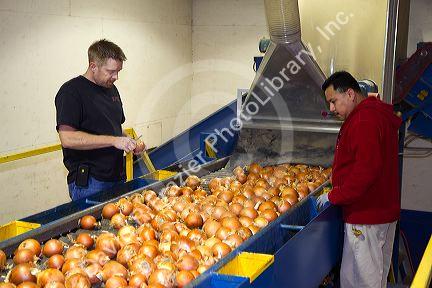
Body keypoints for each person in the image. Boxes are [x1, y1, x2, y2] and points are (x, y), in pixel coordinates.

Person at [317, 71, 401, 288]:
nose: (332, 109)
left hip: (366, 216)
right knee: (375, 277)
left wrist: (334, 195)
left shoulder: (364, 121)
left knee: (358, 280)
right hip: (382, 211)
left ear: (351, 94)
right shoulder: (376, 114)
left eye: (334, 101)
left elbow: (366, 171)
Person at [55, 39, 145, 201]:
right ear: (93, 66)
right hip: (90, 183)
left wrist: (129, 142)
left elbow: (115, 129)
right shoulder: (71, 92)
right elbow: (67, 139)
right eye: (111, 71)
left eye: (118, 71)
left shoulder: (111, 89)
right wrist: (113, 141)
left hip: (117, 176)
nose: (116, 77)